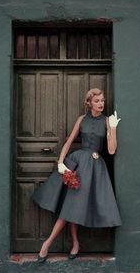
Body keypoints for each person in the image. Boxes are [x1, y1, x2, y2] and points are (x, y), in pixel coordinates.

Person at [32, 88, 122, 263]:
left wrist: (113, 127)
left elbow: (111, 150)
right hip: (77, 164)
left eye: (102, 100)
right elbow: (69, 141)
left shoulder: (106, 121)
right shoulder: (81, 120)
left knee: (73, 206)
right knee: (73, 206)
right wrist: (60, 162)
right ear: (89, 103)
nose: (101, 104)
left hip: (95, 169)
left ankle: (48, 244)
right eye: (97, 101)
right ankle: (74, 243)